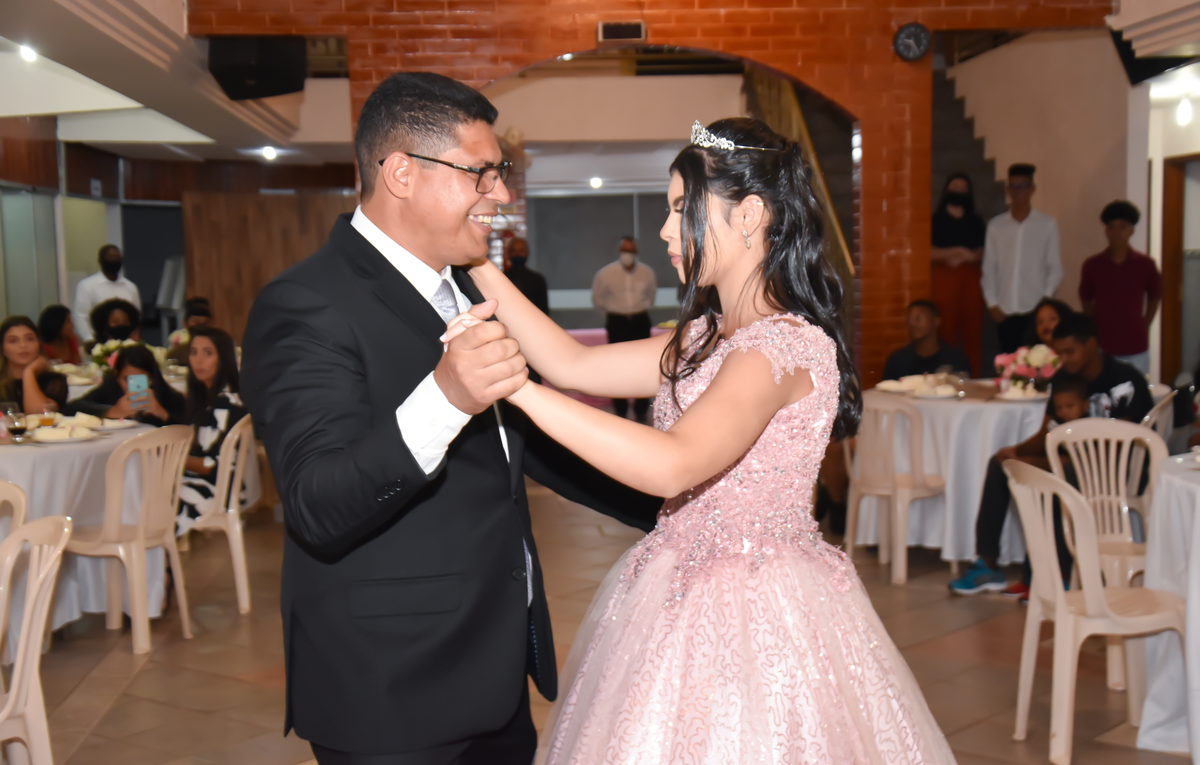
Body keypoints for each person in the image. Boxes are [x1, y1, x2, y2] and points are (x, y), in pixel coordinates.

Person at [462, 118, 955, 763]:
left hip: (759, 609)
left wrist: (513, 389)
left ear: (749, 215)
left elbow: (674, 465)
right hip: (676, 580)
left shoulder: (781, 346)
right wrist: (472, 259)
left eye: (680, 209)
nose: (666, 231)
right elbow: (569, 363)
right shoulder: (702, 337)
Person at [239, 72, 659, 765]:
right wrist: (446, 397)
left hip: (494, 671)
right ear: (402, 173)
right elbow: (316, 504)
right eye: (481, 174)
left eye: (500, 174)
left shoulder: (463, 288)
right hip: (392, 690)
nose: (501, 195)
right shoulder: (305, 304)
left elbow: (522, 444)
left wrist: (677, 508)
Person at [950, 313, 1153, 596]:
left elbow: (1122, 444)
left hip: (1119, 471)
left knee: (1062, 476)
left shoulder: (1124, 380)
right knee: (1001, 466)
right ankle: (988, 564)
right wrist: (1017, 452)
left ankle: (1062, 575)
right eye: (1060, 353)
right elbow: (1049, 430)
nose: (1064, 360)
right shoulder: (1064, 378)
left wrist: (1049, 462)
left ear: (1092, 344)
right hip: (1068, 461)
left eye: (1070, 351)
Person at [981, 163, 1063, 353]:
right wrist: (992, 304)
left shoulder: (1047, 225)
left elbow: (1055, 268)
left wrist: (1045, 302)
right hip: (1005, 312)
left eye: (1023, 185)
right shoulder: (996, 226)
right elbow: (989, 269)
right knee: (1009, 364)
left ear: (1033, 188)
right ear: (1008, 189)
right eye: (1014, 186)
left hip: (1035, 312)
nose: (1018, 191)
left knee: (1038, 363)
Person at [177, 327, 248, 536]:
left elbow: (209, 465)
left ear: (223, 358)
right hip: (214, 484)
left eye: (207, 353)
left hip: (215, 490)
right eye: (193, 352)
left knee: (147, 495)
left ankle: (155, 555)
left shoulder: (224, 403)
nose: (198, 360)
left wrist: (170, 459)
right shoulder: (209, 398)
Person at [1080, 200, 1161, 375]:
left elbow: (1155, 297)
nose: (1116, 232)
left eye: (1122, 227)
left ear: (1131, 230)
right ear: (1106, 231)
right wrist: (1094, 326)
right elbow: (1085, 299)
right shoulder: (1092, 265)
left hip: (1136, 345)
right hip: (1103, 346)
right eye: (1111, 227)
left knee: (1137, 389)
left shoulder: (1146, 264)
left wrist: (1145, 324)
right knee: (1103, 390)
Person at [591, 236, 657, 422]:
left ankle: (642, 410)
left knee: (643, 364)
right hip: (617, 322)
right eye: (625, 250)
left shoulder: (647, 273)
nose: (628, 254)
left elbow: (651, 296)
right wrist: (616, 310)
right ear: (619, 251)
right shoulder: (605, 274)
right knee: (616, 365)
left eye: (631, 250)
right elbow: (597, 299)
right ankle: (620, 409)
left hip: (640, 321)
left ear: (636, 252)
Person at [930, 172, 987, 375]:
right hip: (944, 277)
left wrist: (967, 256)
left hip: (971, 278)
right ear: (947, 190)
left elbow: (981, 251)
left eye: (964, 189)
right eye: (955, 188)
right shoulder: (935, 220)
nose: (959, 192)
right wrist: (956, 252)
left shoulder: (976, 221)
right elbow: (928, 251)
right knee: (946, 330)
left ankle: (972, 376)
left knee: (972, 331)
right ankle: (945, 376)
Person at [67, 344, 184, 425]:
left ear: (152, 379)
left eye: (140, 379)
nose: (131, 386)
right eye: (126, 379)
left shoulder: (169, 397)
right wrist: (111, 412)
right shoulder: (111, 388)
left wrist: (163, 414)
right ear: (117, 376)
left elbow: (187, 433)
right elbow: (72, 408)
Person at [881, 300, 972, 380]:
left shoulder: (955, 359)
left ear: (936, 321)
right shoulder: (897, 361)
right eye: (909, 320)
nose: (913, 324)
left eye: (918, 318)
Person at [72, 244, 140, 343]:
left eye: (117, 258)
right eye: (110, 257)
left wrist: (134, 340)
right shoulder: (87, 285)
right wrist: (89, 340)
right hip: (98, 342)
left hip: (127, 343)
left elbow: (136, 317)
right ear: (100, 261)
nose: (114, 261)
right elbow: (80, 317)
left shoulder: (131, 287)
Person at [0, 316, 67, 414]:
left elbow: (41, 415)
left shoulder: (55, 380)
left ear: (39, 344)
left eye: (30, 339)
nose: (23, 345)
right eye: (13, 341)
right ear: (2, 349)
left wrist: (29, 372)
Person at [503, 238, 548, 384]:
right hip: (507, 336)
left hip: (533, 337)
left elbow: (544, 311)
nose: (518, 254)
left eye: (521, 251)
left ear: (527, 253)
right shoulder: (502, 279)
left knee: (533, 378)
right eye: (514, 251)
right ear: (508, 254)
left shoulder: (537, 280)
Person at [167, 298, 213, 363]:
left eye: (204, 324)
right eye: (196, 323)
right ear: (185, 323)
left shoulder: (216, 344)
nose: (200, 327)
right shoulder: (178, 350)